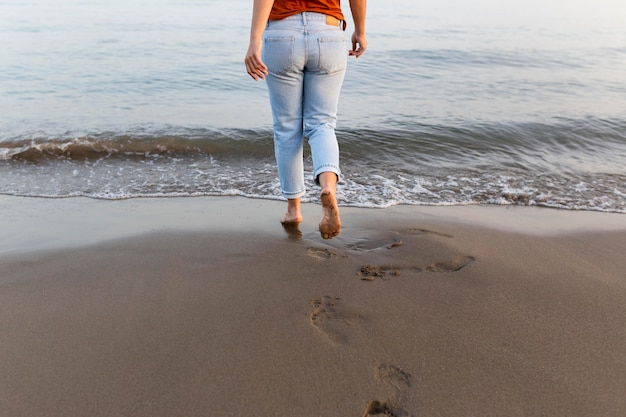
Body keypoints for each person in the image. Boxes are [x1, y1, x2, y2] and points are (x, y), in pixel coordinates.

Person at [245, 0, 367, 239]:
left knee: (287, 127)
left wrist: (255, 40)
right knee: (322, 123)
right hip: (328, 33)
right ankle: (328, 187)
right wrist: (360, 31)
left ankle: (293, 210)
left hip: (282, 33)